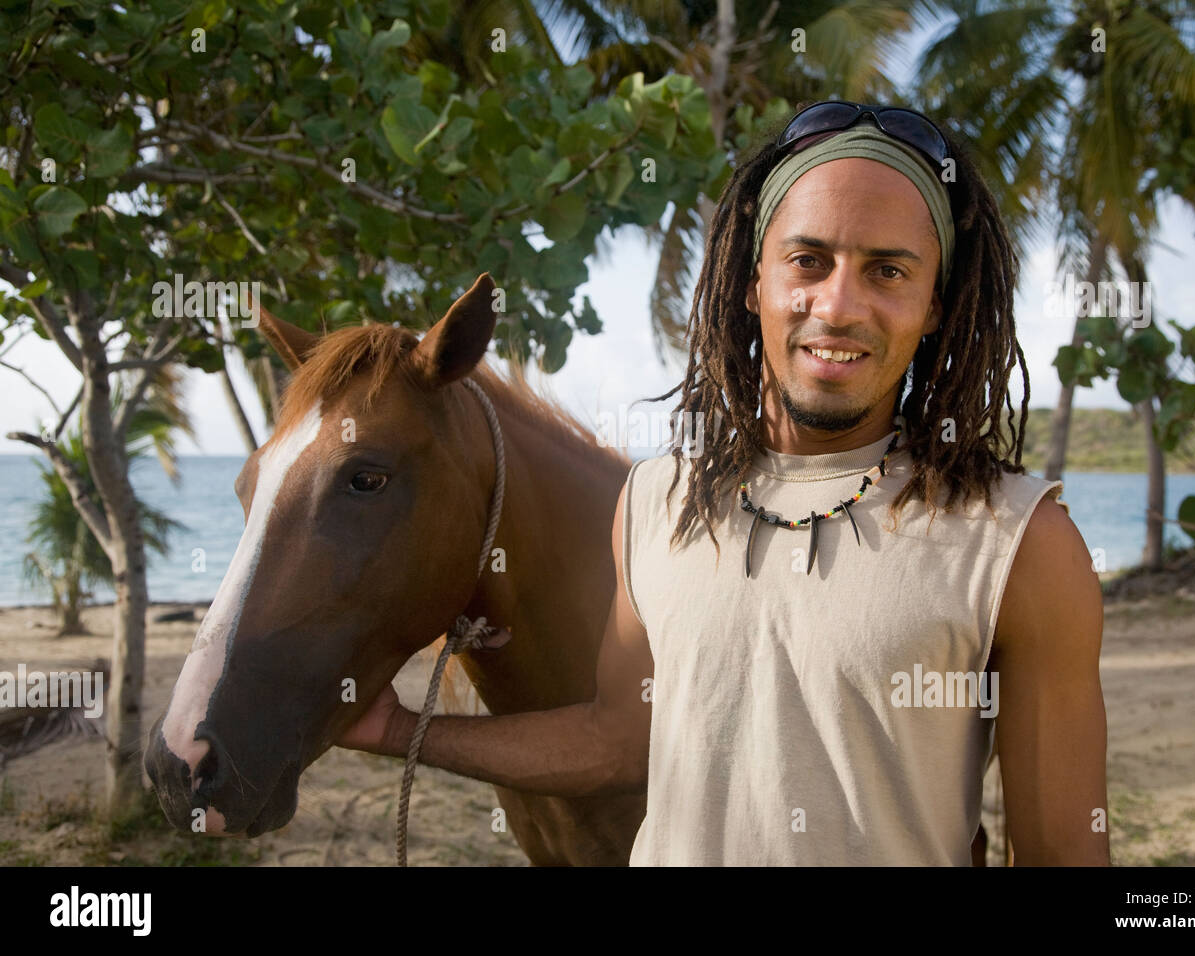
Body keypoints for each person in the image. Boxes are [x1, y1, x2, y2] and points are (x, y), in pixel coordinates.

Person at [339, 100, 1109, 866]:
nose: (837, 306)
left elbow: (1063, 855)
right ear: (752, 283)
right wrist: (403, 733)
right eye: (808, 261)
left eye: (887, 271)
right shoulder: (654, 503)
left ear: (935, 305)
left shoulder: (1019, 540)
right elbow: (616, 740)